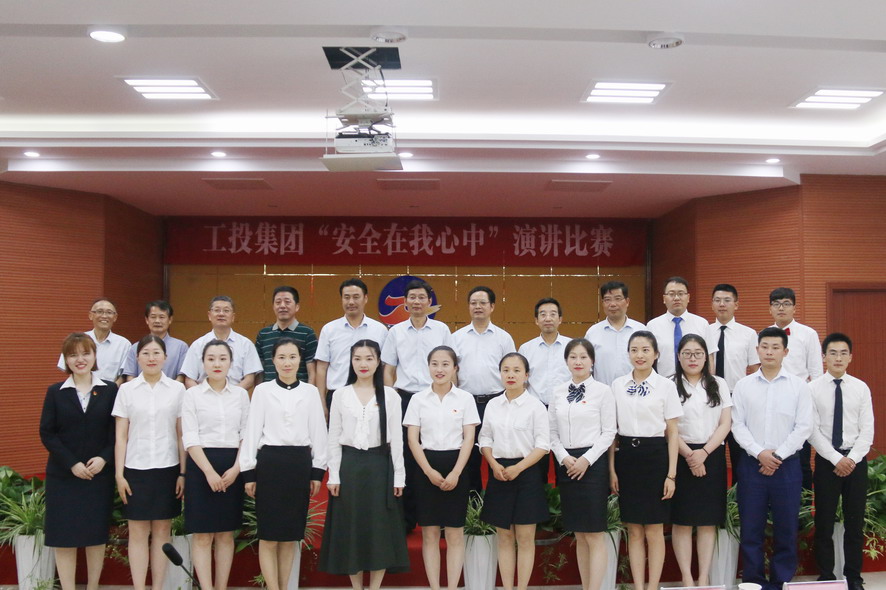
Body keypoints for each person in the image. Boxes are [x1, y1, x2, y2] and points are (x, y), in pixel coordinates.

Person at [319, 339, 409, 590]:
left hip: (379, 466)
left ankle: (375, 586)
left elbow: (397, 439)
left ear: (379, 362)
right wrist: (333, 475)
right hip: (349, 467)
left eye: (369, 358)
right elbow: (333, 438)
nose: (363, 364)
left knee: (379, 529)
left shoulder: (390, 396)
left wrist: (399, 476)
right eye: (357, 358)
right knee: (352, 529)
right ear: (350, 362)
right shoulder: (340, 394)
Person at [240, 338, 327, 590]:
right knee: (269, 536)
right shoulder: (262, 391)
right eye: (281, 357)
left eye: (292, 357)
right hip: (270, 465)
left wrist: (317, 471)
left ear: (300, 360)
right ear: (273, 361)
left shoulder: (310, 392)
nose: (287, 362)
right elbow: (252, 431)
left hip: (299, 465)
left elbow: (319, 433)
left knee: (290, 537)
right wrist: (248, 472)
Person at [731, 327, 814, 590]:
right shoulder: (743, 386)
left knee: (786, 527)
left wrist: (777, 456)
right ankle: (753, 582)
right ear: (757, 350)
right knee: (751, 528)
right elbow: (737, 425)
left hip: (786, 465)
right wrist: (760, 453)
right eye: (764, 347)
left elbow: (804, 427)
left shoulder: (799, 387)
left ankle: (781, 582)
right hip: (752, 464)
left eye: (775, 347)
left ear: (785, 352)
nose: (769, 352)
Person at [40, 333, 118, 590]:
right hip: (63, 477)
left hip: (98, 475)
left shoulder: (110, 390)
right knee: (64, 538)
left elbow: (116, 432)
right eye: (73, 355)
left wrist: (104, 458)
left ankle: (93, 586)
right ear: (66, 359)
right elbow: (47, 433)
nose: (80, 359)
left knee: (95, 536)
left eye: (85, 353)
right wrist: (72, 463)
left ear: (94, 356)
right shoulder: (55, 392)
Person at [112, 335, 187, 590]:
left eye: (156, 353)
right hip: (135, 468)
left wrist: (183, 473)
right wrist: (119, 474)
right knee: (137, 532)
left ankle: (158, 587)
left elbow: (181, 434)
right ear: (137, 358)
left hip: (168, 468)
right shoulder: (126, 390)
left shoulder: (177, 390)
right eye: (146, 353)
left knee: (163, 531)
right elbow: (121, 436)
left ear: (165, 357)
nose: (151, 358)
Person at [402, 346, 480, 590]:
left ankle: (453, 586)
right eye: (434, 364)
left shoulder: (465, 399)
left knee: (455, 533)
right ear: (428, 367)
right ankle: (435, 586)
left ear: (455, 368)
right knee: (430, 533)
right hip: (426, 468)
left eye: (446, 364)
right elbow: (412, 439)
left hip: (457, 465)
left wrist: (456, 472)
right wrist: (428, 471)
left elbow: (469, 438)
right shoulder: (418, 399)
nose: (440, 369)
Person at [609, 331, 681, 590]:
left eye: (645, 350)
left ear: (656, 354)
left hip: (655, 458)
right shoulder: (617, 385)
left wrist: (671, 474)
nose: (639, 355)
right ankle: (638, 586)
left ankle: (652, 586)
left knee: (653, 529)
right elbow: (612, 432)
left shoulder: (666, 386)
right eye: (634, 350)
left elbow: (673, 432)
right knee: (634, 529)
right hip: (627, 458)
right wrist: (612, 470)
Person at [382, 279, 453, 528]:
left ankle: (440, 517)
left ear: (429, 301)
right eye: (412, 297)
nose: (417, 302)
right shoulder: (396, 332)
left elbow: (452, 367)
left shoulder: (442, 330)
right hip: (405, 398)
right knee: (406, 458)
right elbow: (388, 369)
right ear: (404, 302)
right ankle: (407, 519)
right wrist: (391, 399)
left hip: (435, 398)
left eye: (422, 297)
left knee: (436, 454)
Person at [182, 340, 250, 590]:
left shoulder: (241, 395)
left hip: (233, 466)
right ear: (203, 363)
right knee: (202, 535)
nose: (217, 363)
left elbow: (247, 434)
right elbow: (190, 437)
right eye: (211, 359)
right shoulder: (192, 395)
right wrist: (209, 472)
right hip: (201, 467)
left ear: (231, 363)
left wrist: (236, 469)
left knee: (225, 534)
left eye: (223, 358)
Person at [548, 338, 616, 590]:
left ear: (592, 361)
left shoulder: (603, 391)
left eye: (583, 357)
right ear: (566, 361)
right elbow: (551, 432)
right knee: (579, 533)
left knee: (594, 533)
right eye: (573, 357)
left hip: (592, 464)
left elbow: (609, 432)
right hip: (567, 464)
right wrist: (564, 457)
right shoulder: (557, 391)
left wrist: (586, 459)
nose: (578, 362)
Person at [479, 352, 549, 590]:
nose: (511, 375)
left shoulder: (535, 406)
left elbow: (543, 445)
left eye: (517, 370)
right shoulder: (493, 405)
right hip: (499, 472)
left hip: (526, 472)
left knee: (525, 538)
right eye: (506, 370)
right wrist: (493, 464)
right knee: (505, 537)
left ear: (526, 375)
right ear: (500, 374)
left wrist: (519, 467)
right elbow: (485, 438)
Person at [809, 333, 873, 590]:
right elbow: (812, 430)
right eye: (833, 353)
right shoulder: (812, 389)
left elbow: (867, 430)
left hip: (856, 462)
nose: (838, 358)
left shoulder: (861, 388)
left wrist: (851, 459)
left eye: (843, 353)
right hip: (827, 461)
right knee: (824, 521)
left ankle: (853, 576)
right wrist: (836, 458)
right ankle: (826, 576)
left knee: (854, 522)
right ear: (824, 357)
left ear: (850, 357)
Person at [670, 334, 732, 587]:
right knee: (682, 520)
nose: (692, 358)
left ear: (706, 357)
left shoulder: (719, 384)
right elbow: (668, 427)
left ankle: (704, 577)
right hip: (679, 454)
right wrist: (690, 455)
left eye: (698, 353)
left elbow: (725, 423)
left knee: (707, 520)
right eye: (687, 353)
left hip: (711, 454)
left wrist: (703, 453)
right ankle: (687, 578)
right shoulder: (670, 384)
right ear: (679, 357)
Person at [452, 286, 516, 492]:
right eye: (473, 303)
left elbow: (512, 370)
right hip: (466, 402)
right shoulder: (457, 337)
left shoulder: (503, 338)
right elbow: (452, 371)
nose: (477, 307)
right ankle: (473, 501)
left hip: (497, 401)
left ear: (492, 306)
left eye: (482, 303)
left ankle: (496, 500)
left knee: (496, 451)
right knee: (469, 453)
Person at [768, 287, 822, 491]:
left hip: (799, 401)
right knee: (773, 452)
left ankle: (804, 506)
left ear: (794, 308)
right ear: (770, 309)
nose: (781, 308)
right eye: (776, 304)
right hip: (771, 400)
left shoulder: (808, 334)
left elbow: (816, 373)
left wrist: (812, 405)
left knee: (802, 458)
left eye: (786, 304)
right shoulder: (764, 334)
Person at [707, 284, 758, 483]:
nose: (722, 304)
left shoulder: (749, 334)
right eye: (717, 300)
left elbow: (755, 370)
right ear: (712, 304)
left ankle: (739, 497)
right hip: (711, 398)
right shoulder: (704, 332)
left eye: (727, 300)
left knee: (739, 453)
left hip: (737, 398)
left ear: (736, 304)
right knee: (713, 452)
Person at [315, 278, 389, 414]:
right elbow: (321, 367)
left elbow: (385, 367)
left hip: (371, 396)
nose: (351, 302)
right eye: (346, 297)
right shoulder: (329, 329)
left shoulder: (380, 330)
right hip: (337, 395)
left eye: (356, 297)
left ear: (365, 298)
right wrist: (321, 402)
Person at [180, 296, 263, 390]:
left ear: (233, 317)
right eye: (217, 310)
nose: (221, 314)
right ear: (209, 315)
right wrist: (203, 395)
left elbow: (250, 379)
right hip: (203, 396)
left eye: (226, 310)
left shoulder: (246, 344)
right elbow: (189, 379)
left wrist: (231, 394)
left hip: (235, 397)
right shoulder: (197, 345)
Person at [646, 277, 716, 378]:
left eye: (681, 293)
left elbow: (709, 357)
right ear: (664, 299)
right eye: (671, 294)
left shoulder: (702, 324)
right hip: (664, 381)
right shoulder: (653, 326)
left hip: (695, 382)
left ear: (688, 297)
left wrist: (709, 382)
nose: (676, 298)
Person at [585, 281, 646, 386]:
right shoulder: (593, 333)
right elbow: (586, 367)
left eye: (618, 299)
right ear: (602, 303)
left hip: (636, 391)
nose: (613, 304)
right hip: (603, 392)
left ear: (627, 301)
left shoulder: (641, 330)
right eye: (607, 300)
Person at [57, 298, 131, 384]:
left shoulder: (124, 344)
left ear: (115, 317)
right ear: (90, 315)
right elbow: (70, 369)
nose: (104, 316)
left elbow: (123, 376)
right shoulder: (77, 340)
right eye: (99, 311)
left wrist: (110, 390)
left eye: (109, 312)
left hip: (111, 391)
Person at [255, 286, 318, 385]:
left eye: (287, 302)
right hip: (269, 392)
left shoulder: (307, 333)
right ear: (273, 306)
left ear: (297, 306)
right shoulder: (263, 334)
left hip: (299, 391)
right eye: (278, 302)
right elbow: (259, 371)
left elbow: (312, 372)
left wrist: (309, 391)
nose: (282, 306)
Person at [122, 300, 188, 382]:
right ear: (147, 320)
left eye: (162, 317)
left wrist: (170, 389)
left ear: (170, 319)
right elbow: (130, 376)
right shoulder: (135, 347)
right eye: (153, 317)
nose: (157, 321)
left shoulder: (181, 347)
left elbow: (181, 377)